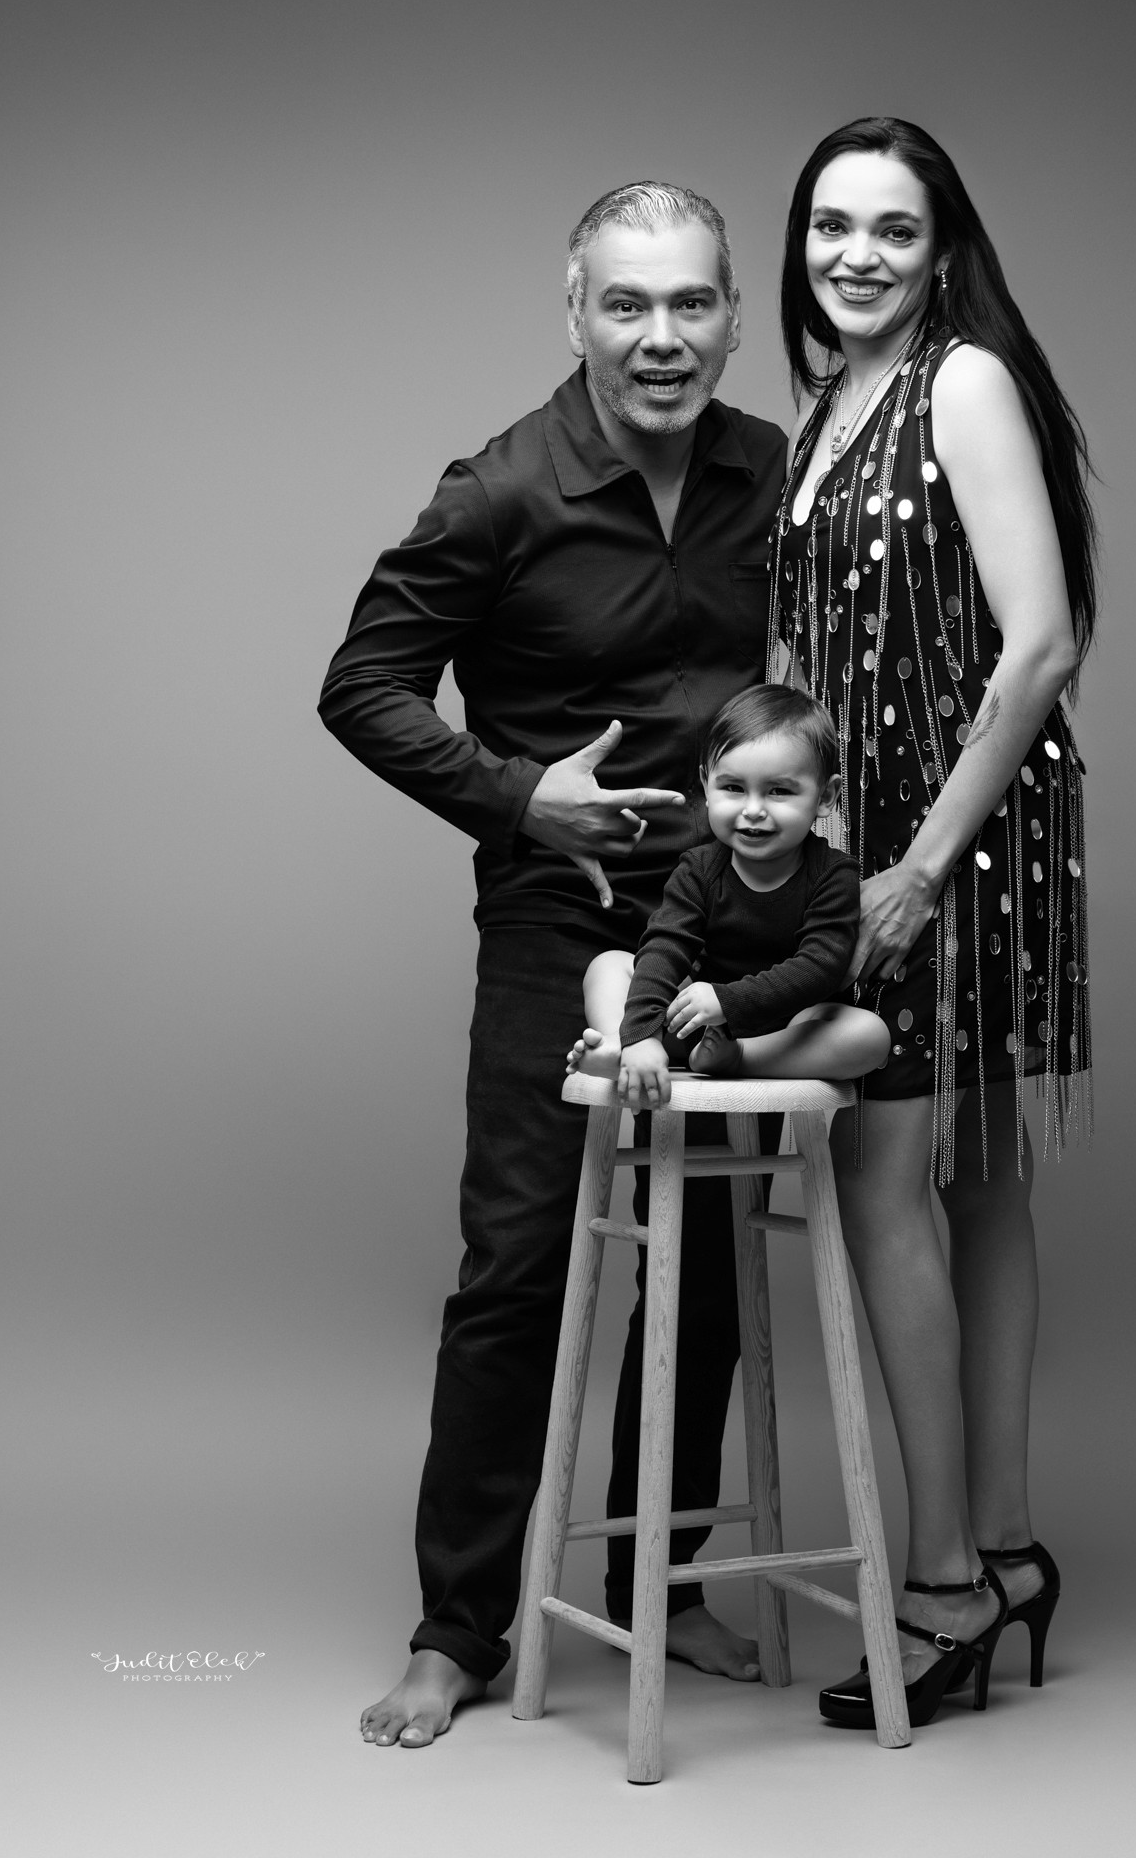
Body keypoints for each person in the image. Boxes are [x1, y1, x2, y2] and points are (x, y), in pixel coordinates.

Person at [319, 182, 790, 1747]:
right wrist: (521, 795)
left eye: (692, 305)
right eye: (627, 305)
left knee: (705, 1264)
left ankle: (664, 1581)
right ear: (573, 312)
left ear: (731, 311)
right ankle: (460, 1629)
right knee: (517, 1262)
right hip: (560, 915)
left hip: (729, 922)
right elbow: (363, 686)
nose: (662, 339)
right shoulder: (500, 491)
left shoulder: (771, 474)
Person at [766, 118, 1098, 1727]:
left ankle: (948, 1582)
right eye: (832, 227)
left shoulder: (959, 380)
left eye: (894, 230)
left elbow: (1038, 644)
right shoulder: (821, 404)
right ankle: (1012, 1548)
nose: (857, 256)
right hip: (874, 833)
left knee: (900, 1168)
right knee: (971, 1180)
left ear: (941, 242)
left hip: (963, 823)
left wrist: (914, 866)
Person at [567, 683, 890, 1106]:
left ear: (825, 797)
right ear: (707, 784)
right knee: (609, 965)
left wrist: (728, 1001)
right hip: (693, 1025)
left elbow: (820, 966)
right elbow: (666, 946)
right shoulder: (699, 869)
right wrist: (644, 1028)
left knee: (869, 1036)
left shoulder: (833, 875)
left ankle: (739, 1059)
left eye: (779, 791)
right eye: (734, 788)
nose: (752, 809)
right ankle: (631, 1047)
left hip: (784, 1034)